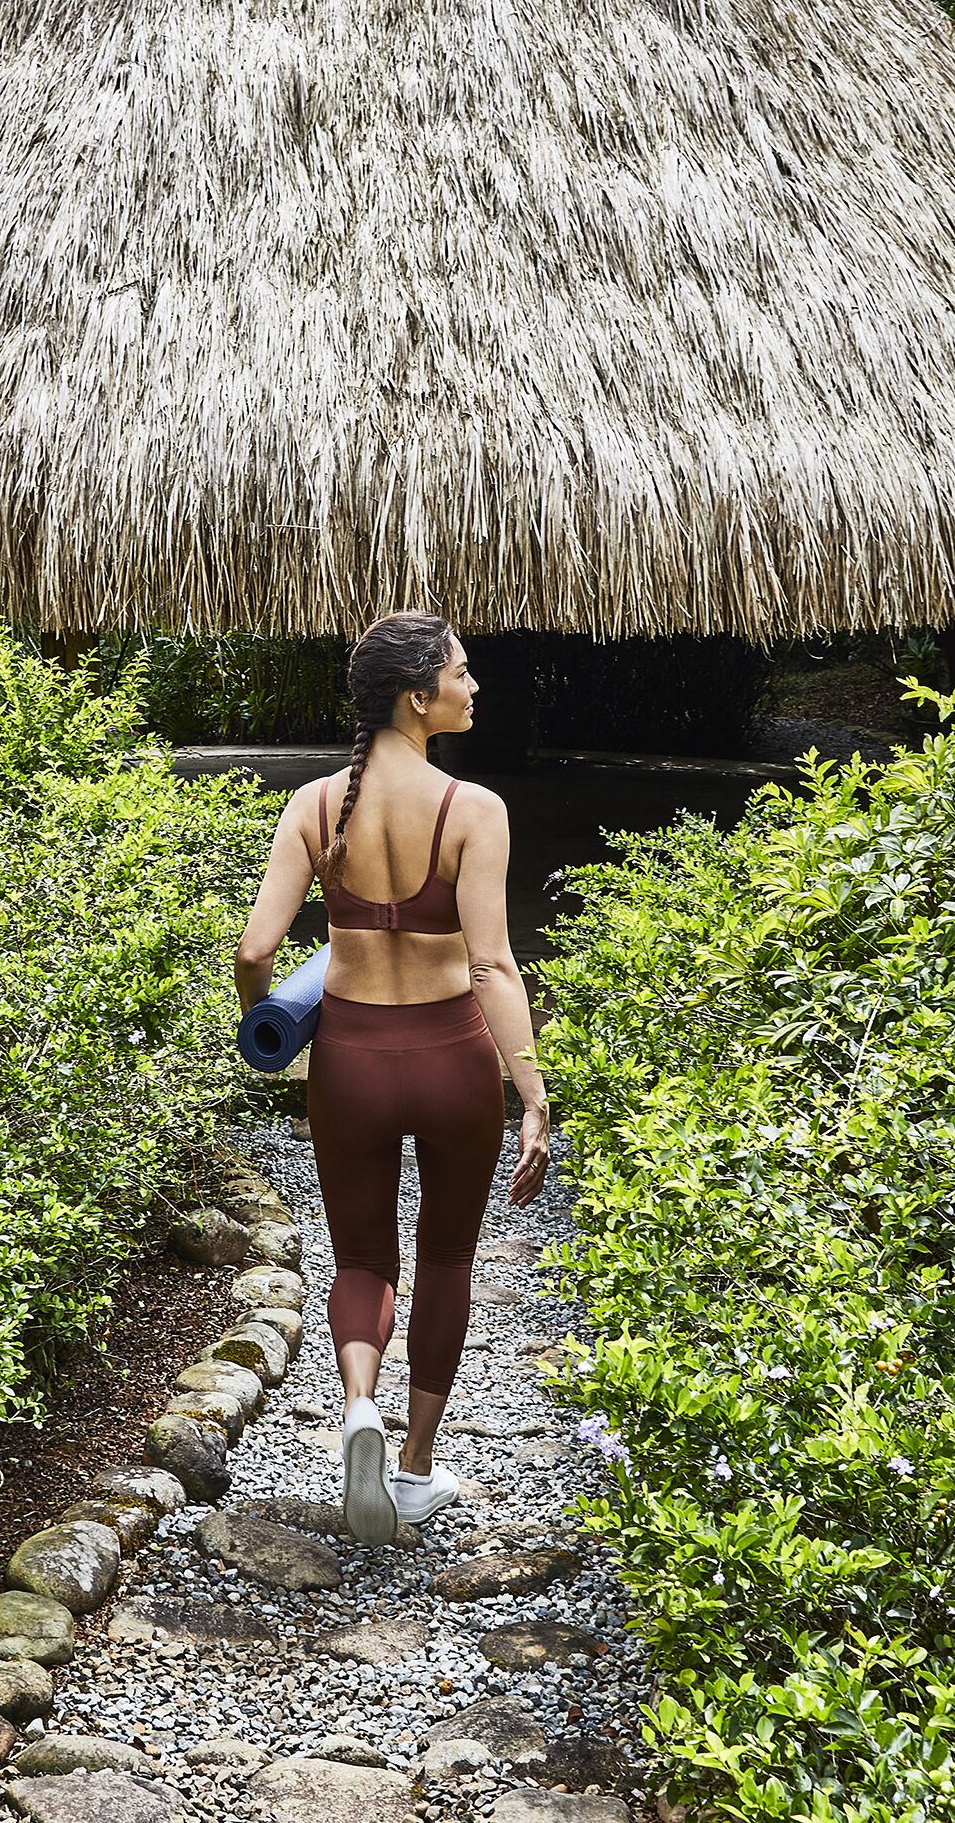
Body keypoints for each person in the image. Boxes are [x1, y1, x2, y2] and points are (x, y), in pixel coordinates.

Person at [234, 612, 553, 1543]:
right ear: (419, 698)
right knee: (448, 1255)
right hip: (452, 1059)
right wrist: (531, 1089)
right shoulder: (474, 809)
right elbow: (494, 966)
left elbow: (257, 949)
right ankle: (412, 1467)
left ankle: (358, 1404)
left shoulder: (314, 804)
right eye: (463, 673)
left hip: (351, 1063)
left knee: (364, 1256)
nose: (475, 688)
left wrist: (264, 1016)